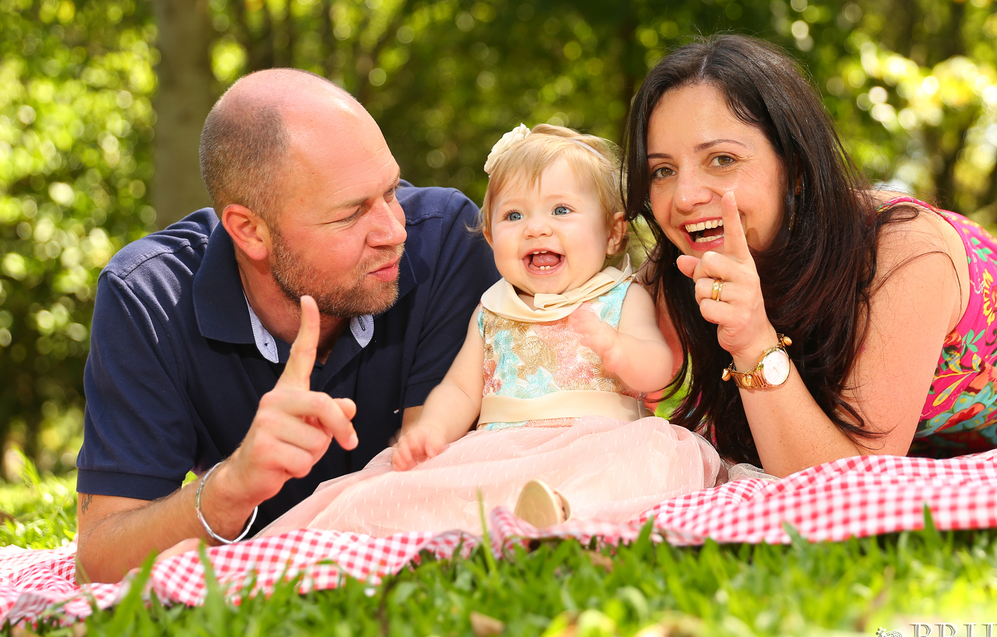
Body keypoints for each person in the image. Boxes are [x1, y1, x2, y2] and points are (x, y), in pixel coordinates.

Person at [74, 69, 499, 581]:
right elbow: (99, 559)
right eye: (350, 214)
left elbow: (432, 490)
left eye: (390, 191)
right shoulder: (149, 297)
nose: (394, 231)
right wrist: (231, 488)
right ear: (249, 231)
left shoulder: (446, 242)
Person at [621, 34, 997, 478]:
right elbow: (602, 398)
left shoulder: (904, 253)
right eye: (662, 170)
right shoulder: (678, 266)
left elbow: (848, 480)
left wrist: (752, 341)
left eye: (722, 159)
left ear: (796, 166)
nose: (684, 197)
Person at [254, 124, 721, 538]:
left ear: (613, 233)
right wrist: (431, 429)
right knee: (422, 491)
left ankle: (568, 516)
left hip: (599, 442)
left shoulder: (618, 296)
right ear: (493, 238)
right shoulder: (492, 309)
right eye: (514, 216)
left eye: (561, 210)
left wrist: (617, 349)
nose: (536, 229)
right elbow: (460, 389)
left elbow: (658, 368)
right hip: (503, 450)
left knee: (638, 468)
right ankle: (512, 523)